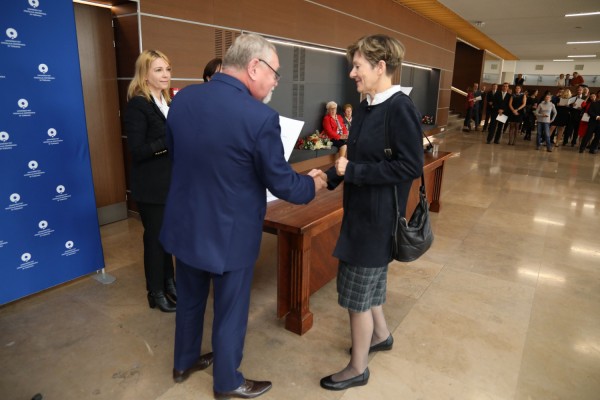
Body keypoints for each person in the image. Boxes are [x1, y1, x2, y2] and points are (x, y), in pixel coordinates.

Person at [160, 33, 327, 399]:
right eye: (274, 73)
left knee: (189, 299)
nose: (274, 83)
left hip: (185, 223)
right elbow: (282, 183)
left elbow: (177, 155)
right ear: (254, 66)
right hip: (228, 234)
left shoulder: (183, 99)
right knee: (230, 310)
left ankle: (184, 361)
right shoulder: (260, 117)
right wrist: (312, 185)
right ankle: (227, 382)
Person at [319, 34, 423, 391]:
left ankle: (357, 368)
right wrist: (329, 177)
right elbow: (355, 159)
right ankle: (380, 334)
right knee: (371, 284)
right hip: (360, 211)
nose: (352, 73)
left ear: (381, 67)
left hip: (376, 218)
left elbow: (410, 166)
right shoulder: (366, 104)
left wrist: (355, 173)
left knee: (356, 295)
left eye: (358, 66)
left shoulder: (399, 108)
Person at [123, 50, 176, 313]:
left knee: (168, 238)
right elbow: (137, 150)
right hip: (151, 187)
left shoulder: (166, 102)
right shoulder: (138, 105)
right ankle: (155, 292)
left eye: (167, 69)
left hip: (170, 185)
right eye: (158, 70)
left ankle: (169, 282)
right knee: (155, 241)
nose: (165, 74)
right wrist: (169, 140)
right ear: (145, 74)